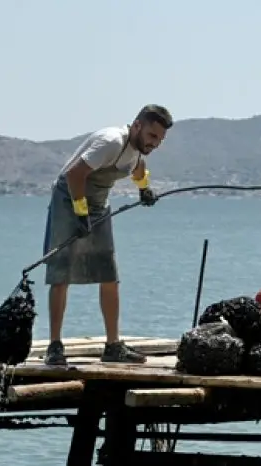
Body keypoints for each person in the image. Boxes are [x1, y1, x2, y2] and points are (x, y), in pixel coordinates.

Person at [42, 104, 174, 366]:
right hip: (69, 200)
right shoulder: (111, 142)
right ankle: (54, 346)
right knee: (61, 273)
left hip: (99, 207)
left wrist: (144, 189)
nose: (155, 143)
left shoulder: (136, 151)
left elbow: (137, 168)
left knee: (109, 275)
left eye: (159, 139)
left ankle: (113, 346)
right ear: (137, 126)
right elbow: (75, 173)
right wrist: (80, 213)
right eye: (151, 136)